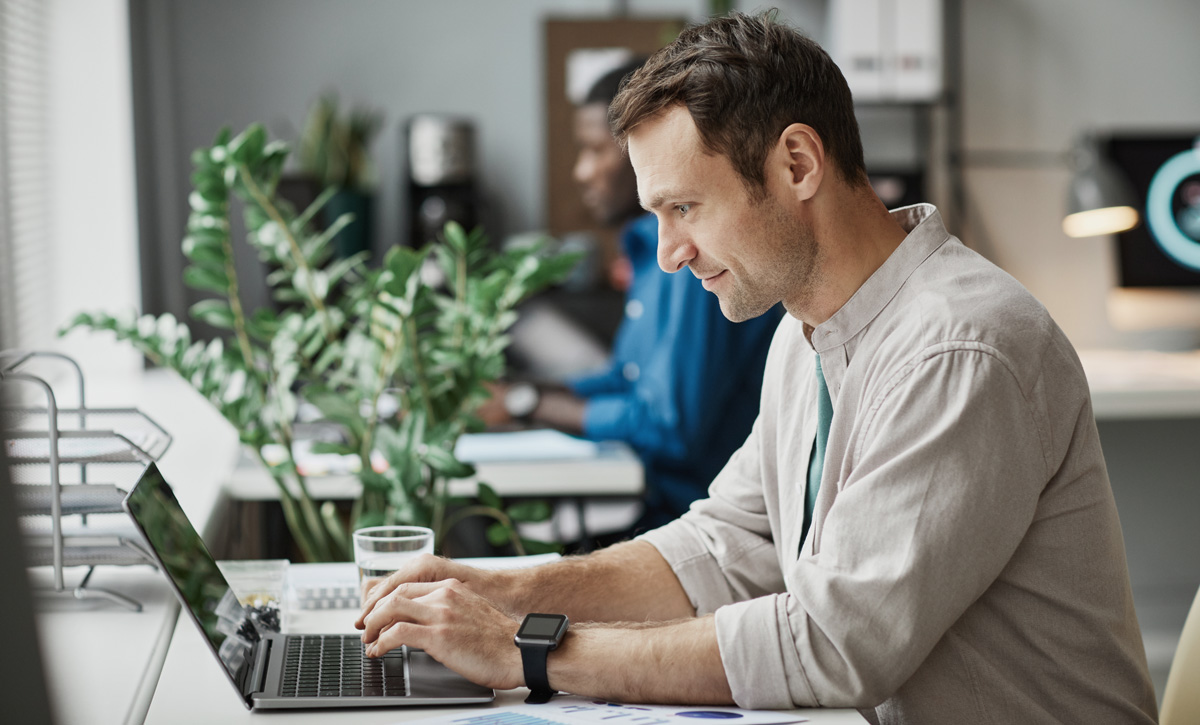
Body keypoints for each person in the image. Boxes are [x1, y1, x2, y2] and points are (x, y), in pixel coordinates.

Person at [357, 12, 1157, 724]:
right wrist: (498, 592)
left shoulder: (960, 347)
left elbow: (833, 645)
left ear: (798, 164)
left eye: (685, 207)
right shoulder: (803, 331)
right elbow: (725, 545)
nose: (668, 255)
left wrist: (528, 652)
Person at [485, 59, 782, 532]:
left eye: (594, 151)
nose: (582, 172)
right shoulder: (650, 254)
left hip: (698, 522)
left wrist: (526, 404)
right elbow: (628, 377)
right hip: (661, 509)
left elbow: (669, 426)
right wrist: (529, 393)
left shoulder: (695, 261)